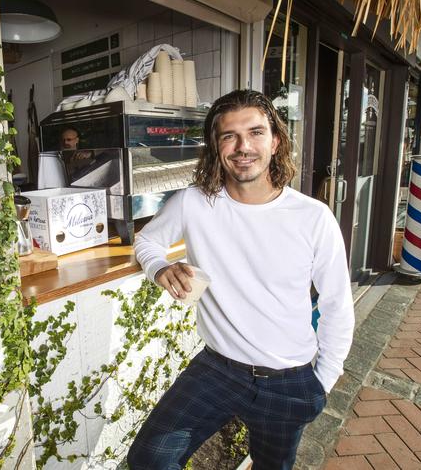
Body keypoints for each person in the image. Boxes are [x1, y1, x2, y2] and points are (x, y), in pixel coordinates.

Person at [128, 89, 354, 470]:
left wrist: (322, 381)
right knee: (150, 457)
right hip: (217, 369)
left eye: (255, 132)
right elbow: (146, 240)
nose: (242, 146)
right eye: (228, 136)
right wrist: (161, 268)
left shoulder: (312, 217)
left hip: (290, 379)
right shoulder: (194, 202)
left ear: (275, 140)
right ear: (216, 147)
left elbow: (336, 304)